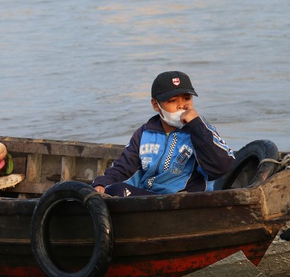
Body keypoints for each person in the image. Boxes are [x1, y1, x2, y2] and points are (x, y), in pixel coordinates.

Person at [92, 71, 235, 197]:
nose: (182, 105)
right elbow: (124, 167)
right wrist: (102, 184)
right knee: (111, 190)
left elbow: (222, 166)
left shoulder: (201, 131)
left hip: (188, 201)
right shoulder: (145, 133)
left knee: (118, 191)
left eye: (187, 98)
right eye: (172, 101)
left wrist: (196, 126)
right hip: (149, 198)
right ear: (156, 105)